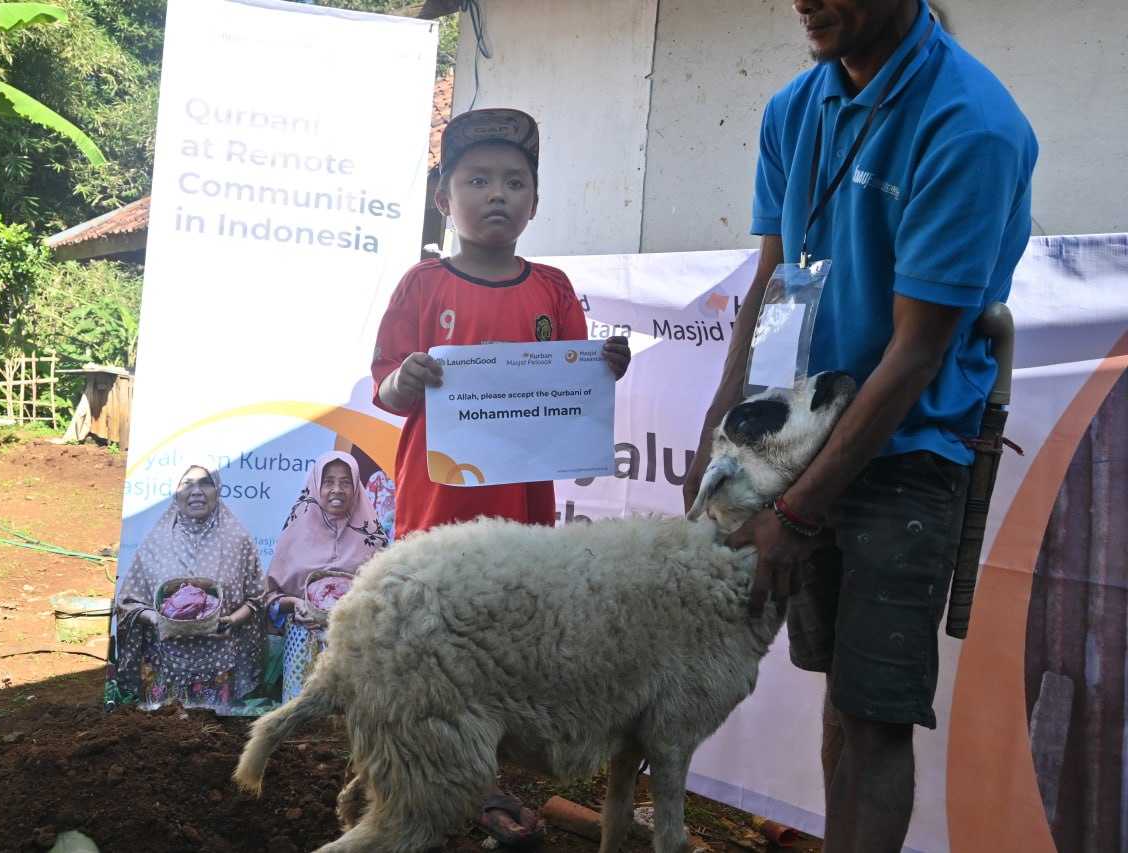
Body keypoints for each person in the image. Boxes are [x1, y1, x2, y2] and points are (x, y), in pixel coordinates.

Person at [681, 2, 1037, 850]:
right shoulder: (790, 109)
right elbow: (773, 285)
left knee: (877, 720)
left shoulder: (972, 125)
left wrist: (797, 513)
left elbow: (915, 357)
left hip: (908, 449)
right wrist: (718, 436)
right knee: (840, 694)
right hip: (798, 437)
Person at [370, 107, 632, 847]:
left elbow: (575, 385)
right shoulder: (421, 286)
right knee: (434, 637)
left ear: (536, 203)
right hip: (436, 506)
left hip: (522, 514)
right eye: (477, 179)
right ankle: (419, 772)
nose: (497, 195)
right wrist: (408, 380)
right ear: (443, 198)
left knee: (503, 641)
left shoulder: (552, 288)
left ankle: (483, 775)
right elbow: (384, 387)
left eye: (515, 182)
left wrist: (603, 368)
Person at [114, 463, 264, 712]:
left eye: (205, 482)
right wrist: (157, 620)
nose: (196, 491)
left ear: (218, 490)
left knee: (212, 738)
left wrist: (232, 621)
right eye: (187, 483)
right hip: (164, 666)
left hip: (219, 668)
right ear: (175, 492)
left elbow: (256, 599)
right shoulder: (156, 541)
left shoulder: (239, 541)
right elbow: (129, 603)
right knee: (164, 737)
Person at [263, 450, 387, 703]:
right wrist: (295, 603)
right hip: (302, 651)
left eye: (346, 481)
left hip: (355, 651)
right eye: (328, 481)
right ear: (315, 486)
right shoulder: (294, 536)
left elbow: (387, 598)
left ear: (356, 487)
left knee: (346, 728)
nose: (337, 489)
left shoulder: (374, 539)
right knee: (301, 726)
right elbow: (270, 598)